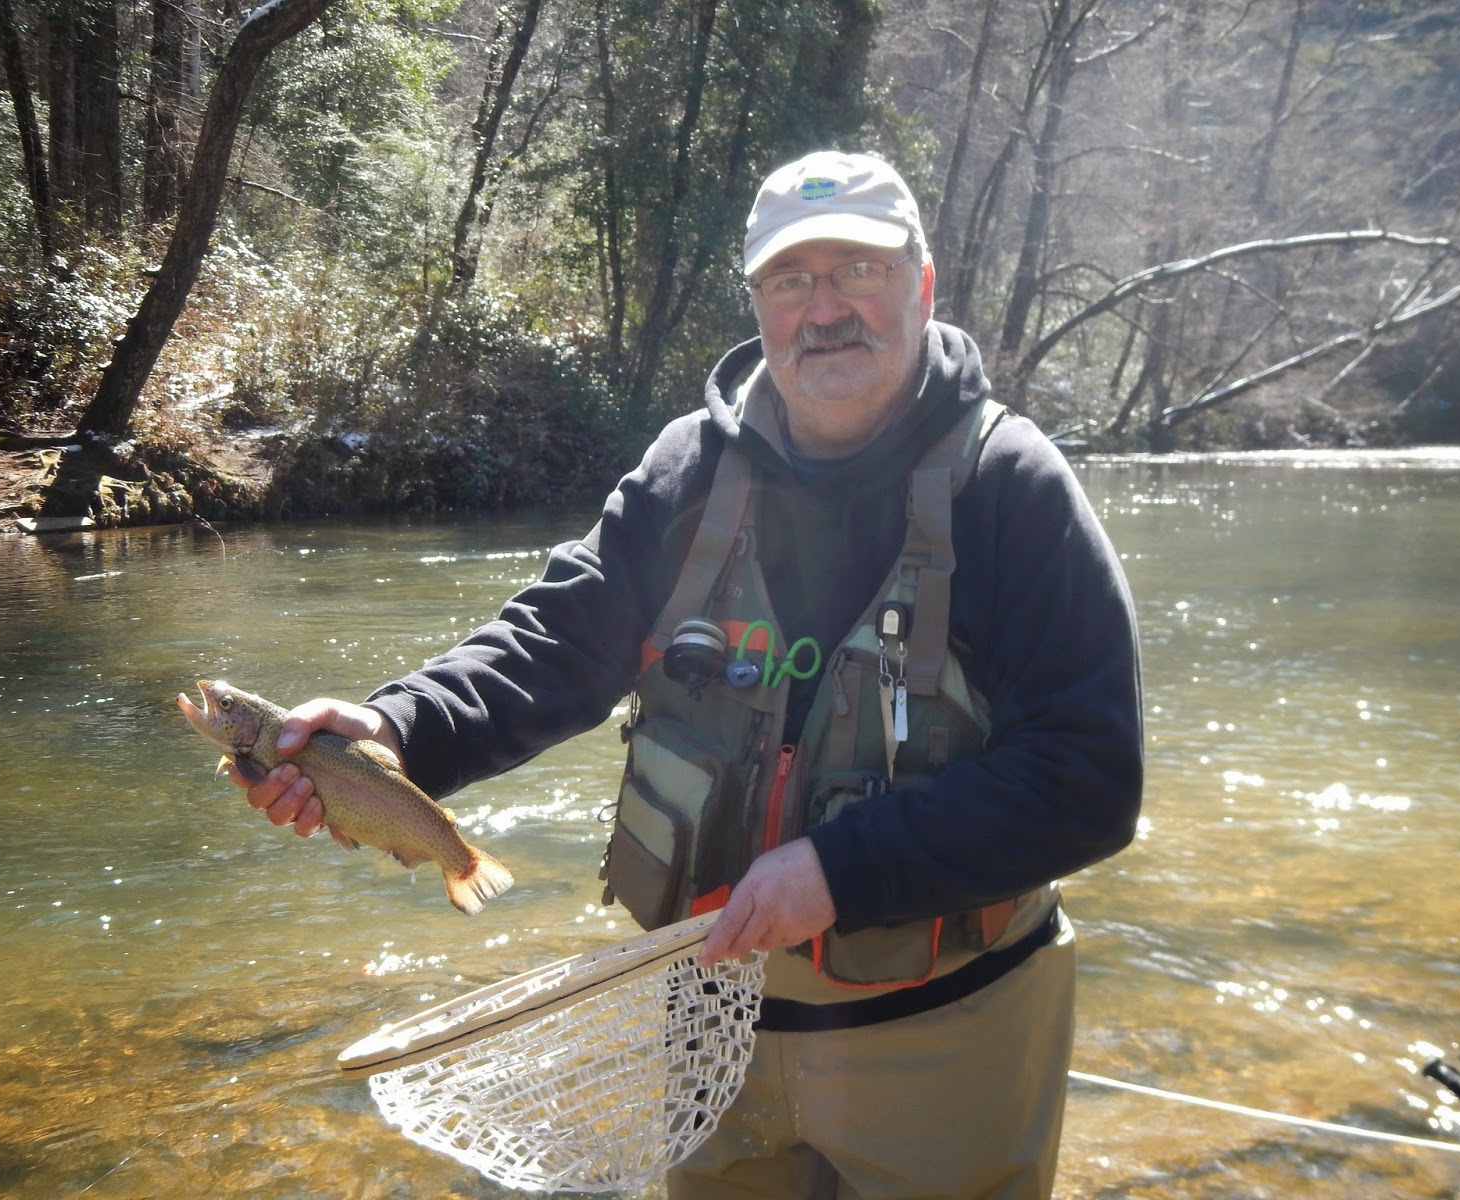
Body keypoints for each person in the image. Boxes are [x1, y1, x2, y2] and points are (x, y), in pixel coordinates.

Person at [236, 150, 1143, 1198]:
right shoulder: (689, 470)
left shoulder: (1011, 486)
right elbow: (554, 640)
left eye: (858, 270)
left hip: (943, 1032)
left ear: (923, 285)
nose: (824, 308)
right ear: (756, 302)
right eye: (791, 280)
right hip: (709, 1019)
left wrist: (843, 871)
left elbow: (1088, 778)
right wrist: (399, 730)